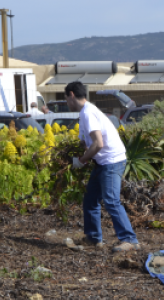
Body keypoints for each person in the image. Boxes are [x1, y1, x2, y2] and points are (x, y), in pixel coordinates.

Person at [64, 81, 141, 252]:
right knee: (90, 199)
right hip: (103, 162)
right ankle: (93, 238)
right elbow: (88, 142)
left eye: (66, 99)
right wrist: (83, 153)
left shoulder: (88, 113)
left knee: (111, 200)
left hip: (112, 161)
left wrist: (81, 160)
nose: (67, 103)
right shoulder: (86, 111)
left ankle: (130, 240)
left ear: (71, 95)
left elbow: (98, 143)